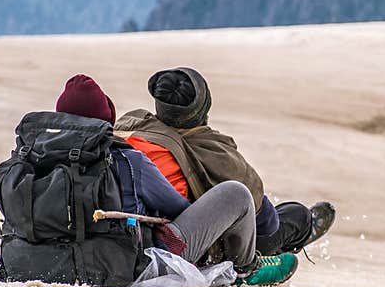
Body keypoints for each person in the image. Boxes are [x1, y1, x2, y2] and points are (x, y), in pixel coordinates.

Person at [42, 74, 299, 286]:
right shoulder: (132, 158)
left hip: (67, 254)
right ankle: (247, 270)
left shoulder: (40, 156)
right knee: (251, 201)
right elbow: (180, 210)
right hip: (141, 256)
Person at [114, 67, 336, 257]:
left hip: (132, 231)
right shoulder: (212, 150)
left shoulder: (132, 128)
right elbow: (263, 216)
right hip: (190, 241)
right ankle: (300, 232)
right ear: (203, 107)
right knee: (295, 215)